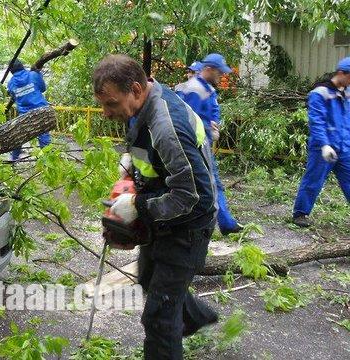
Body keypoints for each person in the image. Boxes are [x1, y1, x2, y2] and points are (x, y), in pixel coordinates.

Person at [94, 54, 219, 360]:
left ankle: (173, 326)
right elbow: (149, 153)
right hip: (164, 217)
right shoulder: (141, 107)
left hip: (189, 227)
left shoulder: (166, 127)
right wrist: (132, 170)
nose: (105, 113)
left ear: (136, 89)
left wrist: (138, 205)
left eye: (110, 104)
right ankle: (196, 317)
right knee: (149, 279)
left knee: (158, 319)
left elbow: (192, 197)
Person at [175, 53, 243, 236]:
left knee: (208, 184)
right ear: (208, 69)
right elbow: (186, 120)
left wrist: (213, 124)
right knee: (211, 184)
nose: (222, 75)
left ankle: (221, 222)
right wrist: (207, 127)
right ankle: (222, 223)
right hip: (195, 146)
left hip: (200, 144)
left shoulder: (206, 89)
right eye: (219, 72)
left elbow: (209, 113)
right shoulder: (195, 89)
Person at [292, 57, 350, 227]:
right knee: (313, 180)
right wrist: (324, 144)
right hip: (323, 148)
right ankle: (300, 214)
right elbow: (317, 121)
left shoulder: (347, 92)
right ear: (341, 73)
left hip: (344, 146)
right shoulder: (320, 93)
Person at [7, 59, 51, 162]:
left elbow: (13, 95)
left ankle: (13, 160)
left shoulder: (11, 83)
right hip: (41, 111)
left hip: (25, 115)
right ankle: (48, 162)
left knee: (19, 137)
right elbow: (43, 88)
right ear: (22, 66)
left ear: (11, 71)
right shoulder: (33, 75)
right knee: (44, 138)